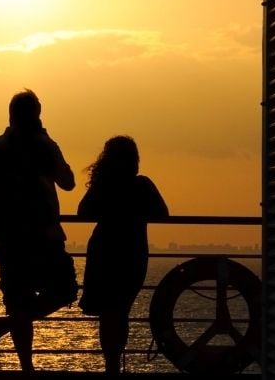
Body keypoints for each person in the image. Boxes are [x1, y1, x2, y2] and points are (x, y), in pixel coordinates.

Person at [0, 89, 78, 372]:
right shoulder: (43, 146)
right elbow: (68, 182)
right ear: (37, 115)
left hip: (5, 240)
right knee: (65, 290)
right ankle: (1, 328)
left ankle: (26, 367)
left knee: (18, 301)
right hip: (44, 238)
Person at [77, 135, 168, 374]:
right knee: (120, 309)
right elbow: (163, 213)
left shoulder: (103, 185)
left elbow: (82, 212)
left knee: (108, 313)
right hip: (133, 252)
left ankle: (111, 364)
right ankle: (115, 363)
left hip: (104, 251)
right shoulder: (142, 185)